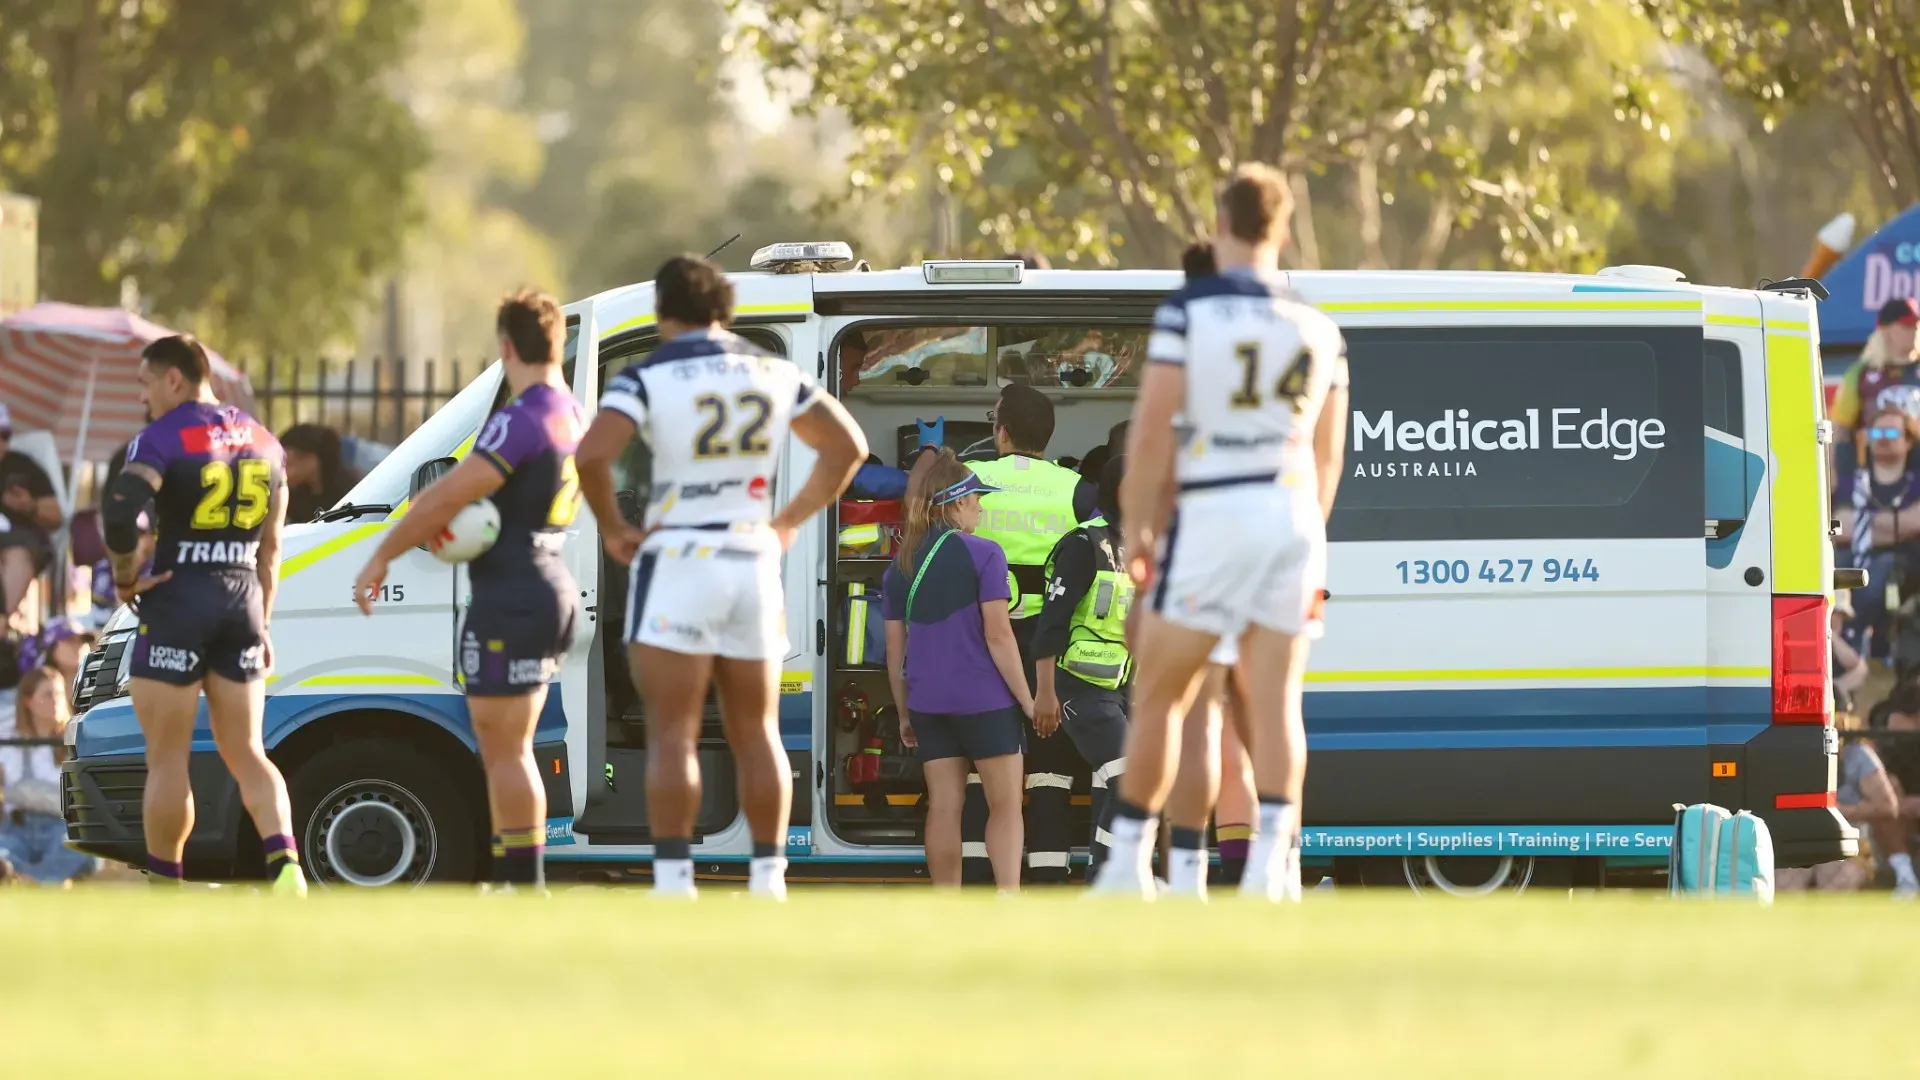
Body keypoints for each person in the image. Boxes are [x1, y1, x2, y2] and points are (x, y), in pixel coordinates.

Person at [1093, 163, 1348, 900]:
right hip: (1291, 514)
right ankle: (1274, 866)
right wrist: (1307, 531)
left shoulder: (1190, 313)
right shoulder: (1318, 326)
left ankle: (1133, 865)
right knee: (1275, 705)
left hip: (1214, 510)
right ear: (1285, 229)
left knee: (1169, 698)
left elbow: (1149, 436)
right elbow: (1329, 454)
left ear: (1220, 224)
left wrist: (1139, 536)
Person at [576, 254, 866, 900]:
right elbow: (848, 446)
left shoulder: (650, 374)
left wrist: (612, 527)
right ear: (726, 308)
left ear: (662, 312)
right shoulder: (773, 369)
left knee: (672, 731)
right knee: (757, 729)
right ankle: (769, 877)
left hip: (680, 556)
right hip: (751, 558)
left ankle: (676, 879)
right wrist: (788, 521)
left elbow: (591, 453)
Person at [354, 291, 583, 892]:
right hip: (548, 577)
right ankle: (517, 878)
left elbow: (448, 493)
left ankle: (520, 881)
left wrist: (382, 553)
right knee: (513, 745)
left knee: (503, 748)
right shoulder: (571, 412)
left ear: (506, 346)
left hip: (512, 591)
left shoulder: (522, 416)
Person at [101, 334, 303, 891]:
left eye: (146, 385)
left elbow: (119, 516)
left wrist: (124, 578)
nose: (144, 399)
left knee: (167, 759)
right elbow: (271, 548)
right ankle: (286, 865)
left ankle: (167, 885)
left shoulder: (161, 439)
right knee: (248, 752)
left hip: (177, 600)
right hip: (242, 603)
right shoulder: (266, 441)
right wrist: (262, 623)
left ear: (173, 379)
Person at [960, 383, 1091, 883]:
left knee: (983, 766)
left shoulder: (971, 479)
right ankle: (1048, 880)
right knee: (1050, 770)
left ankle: (977, 879)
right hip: (1049, 644)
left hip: (984, 639)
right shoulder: (1076, 489)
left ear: (1002, 432)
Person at [882, 451, 1032, 888]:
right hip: (985, 700)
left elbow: (895, 656)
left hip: (929, 702)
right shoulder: (985, 554)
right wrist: (1026, 699)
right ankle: (1008, 898)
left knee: (944, 807)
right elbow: (999, 637)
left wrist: (905, 713)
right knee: (1005, 806)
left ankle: (946, 904)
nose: (981, 508)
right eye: (977, 500)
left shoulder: (900, 566)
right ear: (957, 503)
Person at [1031, 456, 1133, 878]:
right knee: (1131, 785)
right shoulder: (1082, 544)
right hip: (1079, 689)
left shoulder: (1142, 545)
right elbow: (1051, 624)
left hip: (1123, 688)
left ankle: (1107, 879)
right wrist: (1045, 693)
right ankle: (1106, 880)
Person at [0, 666, 94, 884]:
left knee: (79, 848)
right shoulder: (10, 743)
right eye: (48, 695)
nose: (57, 701)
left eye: (60, 694)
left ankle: (27, 880)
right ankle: (47, 880)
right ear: (29, 702)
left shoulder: (76, 741)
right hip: (18, 829)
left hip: (61, 828)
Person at [1838, 407, 1920, 657]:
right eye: (1877, 431)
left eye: (1891, 431)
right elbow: (1838, 524)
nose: (1882, 437)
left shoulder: (1915, 480)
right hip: (1852, 556)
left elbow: (1914, 523)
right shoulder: (1852, 479)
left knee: (1881, 569)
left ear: (1908, 441)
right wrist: (1894, 527)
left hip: (1905, 567)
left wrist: (1863, 522)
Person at [1832, 298, 1920, 492]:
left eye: (1916, 324)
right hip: (1875, 477)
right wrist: (1834, 480)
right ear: (1886, 330)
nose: (1914, 329)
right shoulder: (1861, 374)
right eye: (1906, 325)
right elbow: (1840, 431)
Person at [0, 403, 65, 620]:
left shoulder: (24, 466)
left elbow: (57, 516)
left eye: (3, 436)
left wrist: (29, 506)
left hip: (20, 542)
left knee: (16, 556)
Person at [280, 424, 351, 525]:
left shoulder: (348, 497)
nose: (283, 472)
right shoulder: (295, 496)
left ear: (312, 459)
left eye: (288, 463)